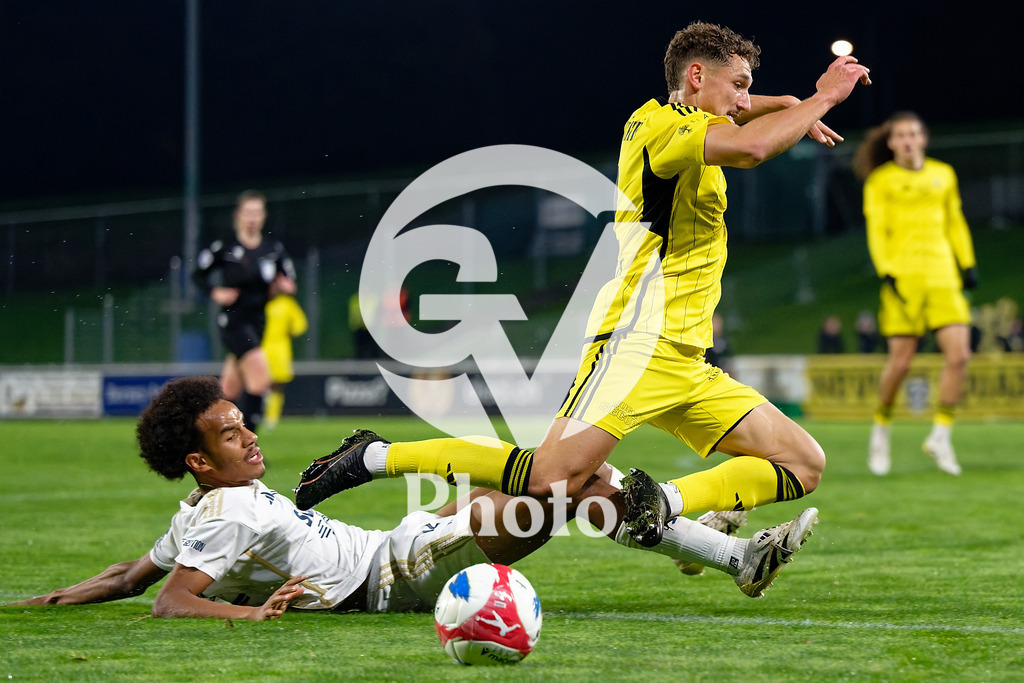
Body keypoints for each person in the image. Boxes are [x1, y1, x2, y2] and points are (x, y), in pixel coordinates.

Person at [294, 21, 867, 550]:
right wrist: (822, 96)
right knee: (550, 479)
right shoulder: (667, 129)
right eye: (739, 85)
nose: (745, 100)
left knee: (801, 462)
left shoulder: (683, 121)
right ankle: (373, 455)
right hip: (636, 343)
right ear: (696, 77)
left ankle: (663, 501)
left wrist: (784, 103)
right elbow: (753, 145)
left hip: (687, 358)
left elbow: (740, 120)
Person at [9, 377, 818, 616]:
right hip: (401, 574)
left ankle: (720, 546)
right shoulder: (222, 516)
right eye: (231, 435)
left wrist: (40, 600)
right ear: (197, 459)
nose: (250, 436)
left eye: (245, 422)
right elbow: (171, 603)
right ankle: (718, 545)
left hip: (397, 540)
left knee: (574, 484)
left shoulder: (199, 515)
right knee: (563, 484)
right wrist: (250, 615)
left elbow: (130, 578)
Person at [852, 112, 977, 476]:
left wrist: (967, 263)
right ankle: (881, 427)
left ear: (923, 139)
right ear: (891, 143)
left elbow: (955, 220)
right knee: (901, 363)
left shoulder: (944, 174)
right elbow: (876, 228)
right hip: (904, 277)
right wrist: (886, 270)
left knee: (960, 355)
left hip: (942, 274)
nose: (907, 141)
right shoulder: (880, 180)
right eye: (900, 135)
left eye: (913, 134)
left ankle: (940, 435)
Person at [192, 190, 297, 434]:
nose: (252, 218)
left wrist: (284, 287)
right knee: (260, 377)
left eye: (257, 212)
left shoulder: (272, 249)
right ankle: (245, 445)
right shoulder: (225, 247)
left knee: (228, 390)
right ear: (238, 216)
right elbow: (198, 274)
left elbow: (289, 281)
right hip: (233, 320)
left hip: (259, 321)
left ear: (263, 216)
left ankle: (202, 432)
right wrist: (214, 291)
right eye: (248, 212)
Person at [261, 292, 308, 430]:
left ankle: (271, 418)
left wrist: (289, 329)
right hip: (259, 348)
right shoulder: (258, 299)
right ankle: (258, 413)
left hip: (280, 350)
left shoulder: (287, 303)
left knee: (276, 384)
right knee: (258, 383)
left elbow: (300, 325)